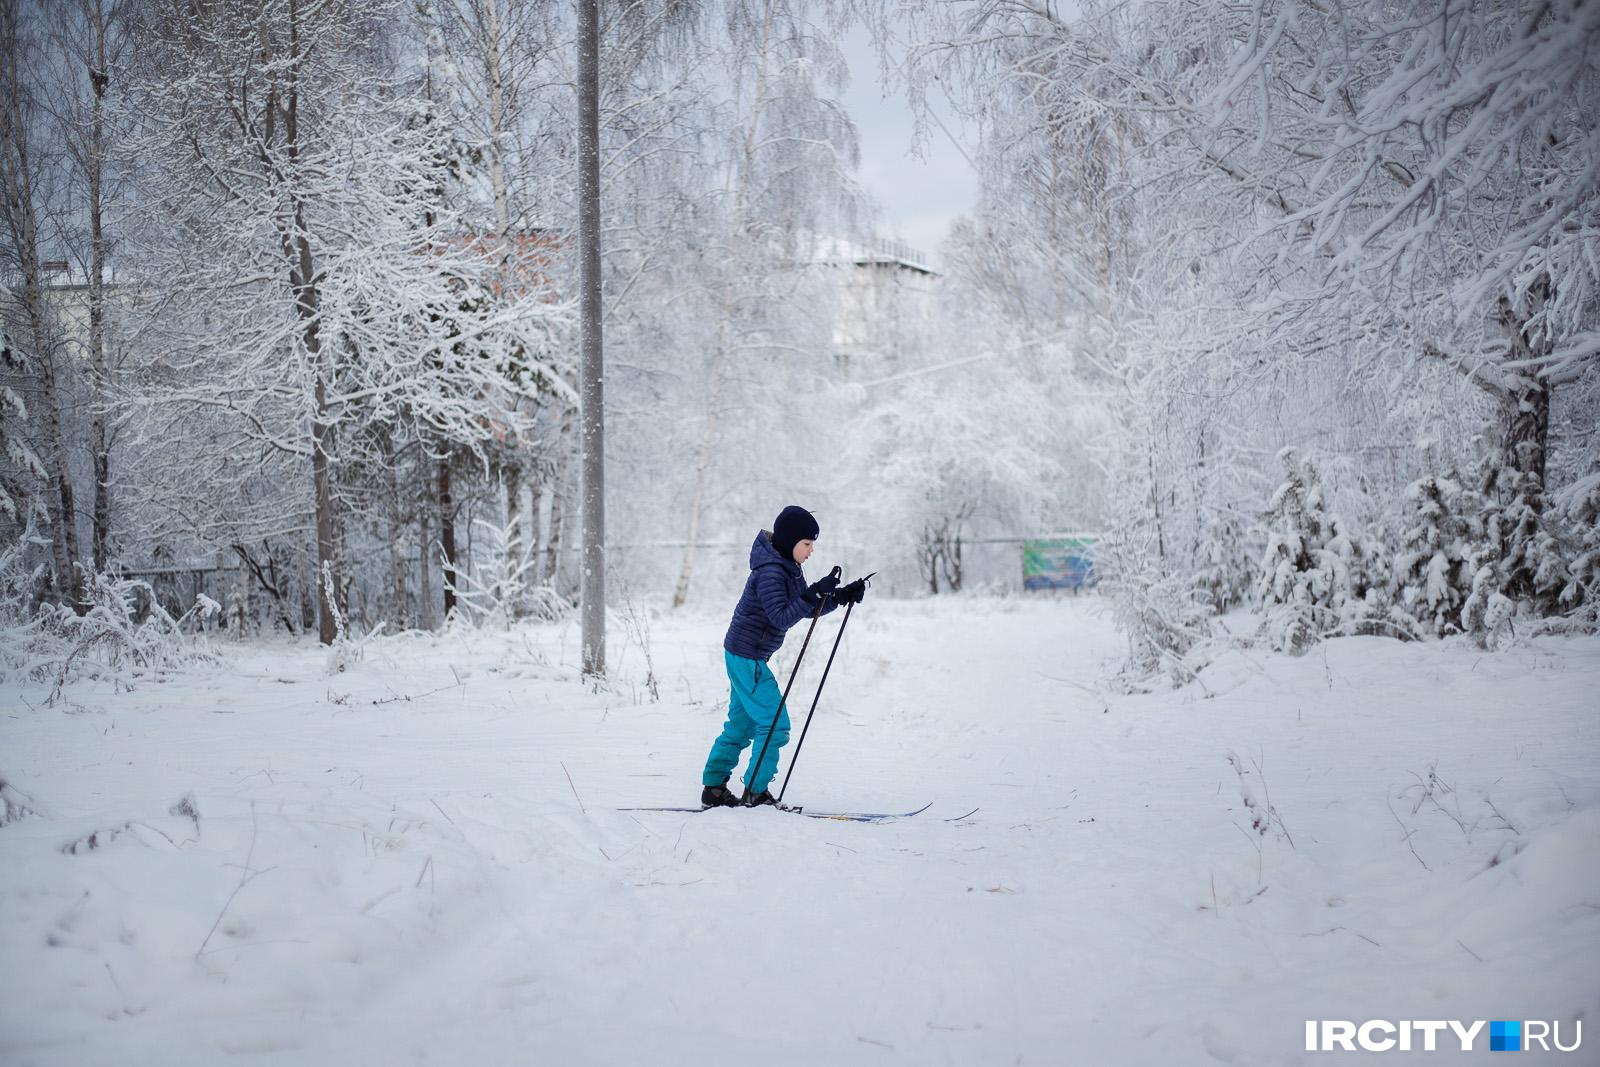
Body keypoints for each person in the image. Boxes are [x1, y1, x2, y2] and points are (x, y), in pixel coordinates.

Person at [702, 505, 867, 807]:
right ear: (790, 540)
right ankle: (755, 791)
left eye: (812, 544)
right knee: (775, 725)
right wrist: (813, 593)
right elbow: (781, 617)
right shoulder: (770, 572)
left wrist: (839, 597)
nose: (811, 550)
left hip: (747, 655)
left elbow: (803, 610)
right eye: (807, 543)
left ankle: (713, 788)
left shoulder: (787, 568)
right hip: (747, 656)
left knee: (743, 725)